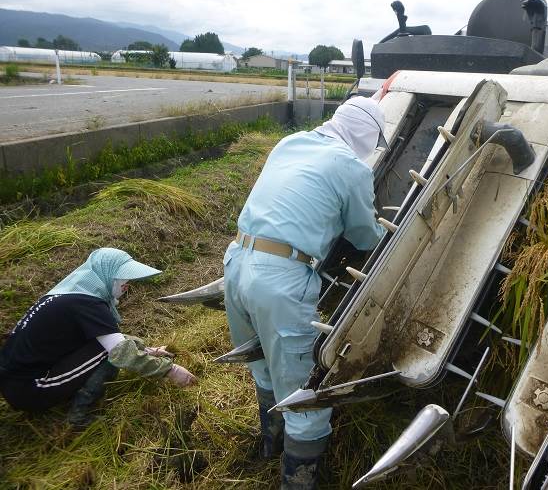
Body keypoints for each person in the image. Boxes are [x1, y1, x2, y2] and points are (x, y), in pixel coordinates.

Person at [223, 96, 387, 489]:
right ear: (366, 135)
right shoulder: (351, 167)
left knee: (261, 360)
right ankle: (297, 481)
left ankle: (270, 443)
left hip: (236, 261)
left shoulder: (290, 142)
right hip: (280, 279)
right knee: (305, 393)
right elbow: (364, 235)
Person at [0, 247, 197, 427]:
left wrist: (148, 351)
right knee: (108, 352)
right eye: (124, 277)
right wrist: (170, 371)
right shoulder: (86, 303)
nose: (129, 284)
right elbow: (119, 351)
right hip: (30, 388)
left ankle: (68, 394)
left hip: (16, 384)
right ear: (107, 274)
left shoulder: (70, 295)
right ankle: (78, 417)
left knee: (105, 346)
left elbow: (111, 338)